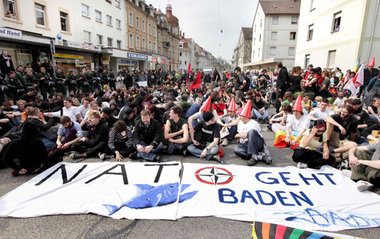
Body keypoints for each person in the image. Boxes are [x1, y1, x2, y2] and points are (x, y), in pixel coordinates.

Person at [233, 100, 271, 166]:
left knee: (251, 132)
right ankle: (260, 156)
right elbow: (241, 136)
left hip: (257, 142)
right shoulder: (240, 123)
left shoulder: (253, 123)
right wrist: (239, 138)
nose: (240, 117)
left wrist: (238, 135)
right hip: (246, 143)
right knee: (237, 149)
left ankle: (254, 156)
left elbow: (246, 135)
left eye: (241, 116)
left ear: (246, 116)